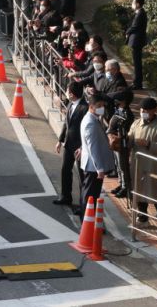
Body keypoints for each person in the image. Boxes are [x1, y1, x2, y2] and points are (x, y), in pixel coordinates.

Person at [128, 97, 157, 234]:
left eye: (146, 110)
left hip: (153, 166)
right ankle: (143, 217)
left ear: (154, 110)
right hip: (137, 163)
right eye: (141, 110)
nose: (143, 112)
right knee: (139, 190)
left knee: (156, 193)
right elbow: (129, 139)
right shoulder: (136, 123)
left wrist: (148, 144)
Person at [76, 93, 116, 218]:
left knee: (91, 193)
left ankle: (89, 219)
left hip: (92, 165)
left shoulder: (93, 119)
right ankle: (87, 220)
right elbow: (93, 148)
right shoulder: (90, 123)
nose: (101, 108)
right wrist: (100, 168)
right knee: (90, 194)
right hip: (93, 166)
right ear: (91, 106)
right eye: (99, 106)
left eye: (102, 106)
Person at [54, 82, 88, 211]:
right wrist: (60, 140)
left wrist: (83, 147)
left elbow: (86, 130)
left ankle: (83, 204)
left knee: (81, 175)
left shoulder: (84, 108)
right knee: (65, 170)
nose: (66, 93)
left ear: (72, 94)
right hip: (68, 144)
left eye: (67, 91)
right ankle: (65, 196)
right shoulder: (70, 104)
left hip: (79, 147)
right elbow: (66, 124)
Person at [107, 89, 135, 199]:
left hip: (121, 144)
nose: (117, 101)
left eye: (119, 99)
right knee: (118, 165)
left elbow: (124, 129)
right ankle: (121, 183)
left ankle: (125, 187)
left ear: (125, 101)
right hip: (114, 142)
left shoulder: (128, 114)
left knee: (123, 166)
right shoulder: (119, 110)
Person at [126, 0, 148, 90]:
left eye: (133, 2)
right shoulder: (138, 13)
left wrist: (127, 31)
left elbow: (134, 26)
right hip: (136, 41)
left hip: (137, 41)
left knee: (137, 63)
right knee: (136, 62)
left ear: (138, 4)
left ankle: (137, 83)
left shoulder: (140, 14)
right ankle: (136, 82)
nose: (132, 4)